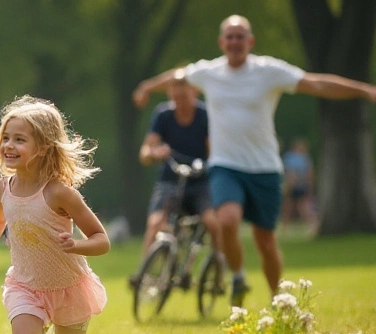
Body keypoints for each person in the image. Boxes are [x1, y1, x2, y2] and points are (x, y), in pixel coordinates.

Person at [133, 15, 376, 305]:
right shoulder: (208, 72)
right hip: (225, 166)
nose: (235, 42)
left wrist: (364, 90)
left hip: (265, 169)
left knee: (266, 242)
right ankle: (237, 277)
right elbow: (177, 77)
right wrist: (148, 86)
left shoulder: (269, 71)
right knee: (227, 219)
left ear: (250, 41)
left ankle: (279, 300)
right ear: (221, 42)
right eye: (230, 37)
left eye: (240, 36)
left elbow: (317, 84)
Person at [0, 96, 110, 334]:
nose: (8, 145)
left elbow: (101, 240)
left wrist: (77, 245)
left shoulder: (60, 194)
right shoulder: (1, 189)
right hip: (24, 286)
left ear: (42, 147)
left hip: (69, 287)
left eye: (19, 139)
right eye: (6, 137)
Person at [135, 79, 220, 263]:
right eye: (175, 94)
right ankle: (143, 274)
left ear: (194, 92)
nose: (179, 98)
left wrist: (211, 163)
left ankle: (218, 262)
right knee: (155, 223)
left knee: (212, 222)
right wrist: (155, 152)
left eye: (183, 93)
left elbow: (213, 150)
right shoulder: (163, 114)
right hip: (171, 179)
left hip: (199, 181)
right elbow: (145, 152)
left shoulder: (204, 114)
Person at [281, 138, 315, 227]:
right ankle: (310, 224)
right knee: (296, 206)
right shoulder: (304, 158)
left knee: (291, 206)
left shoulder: (291, 158)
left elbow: (290, 172)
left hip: (295, 185)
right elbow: (309, 173)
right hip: (300, 184)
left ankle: (285, 226)